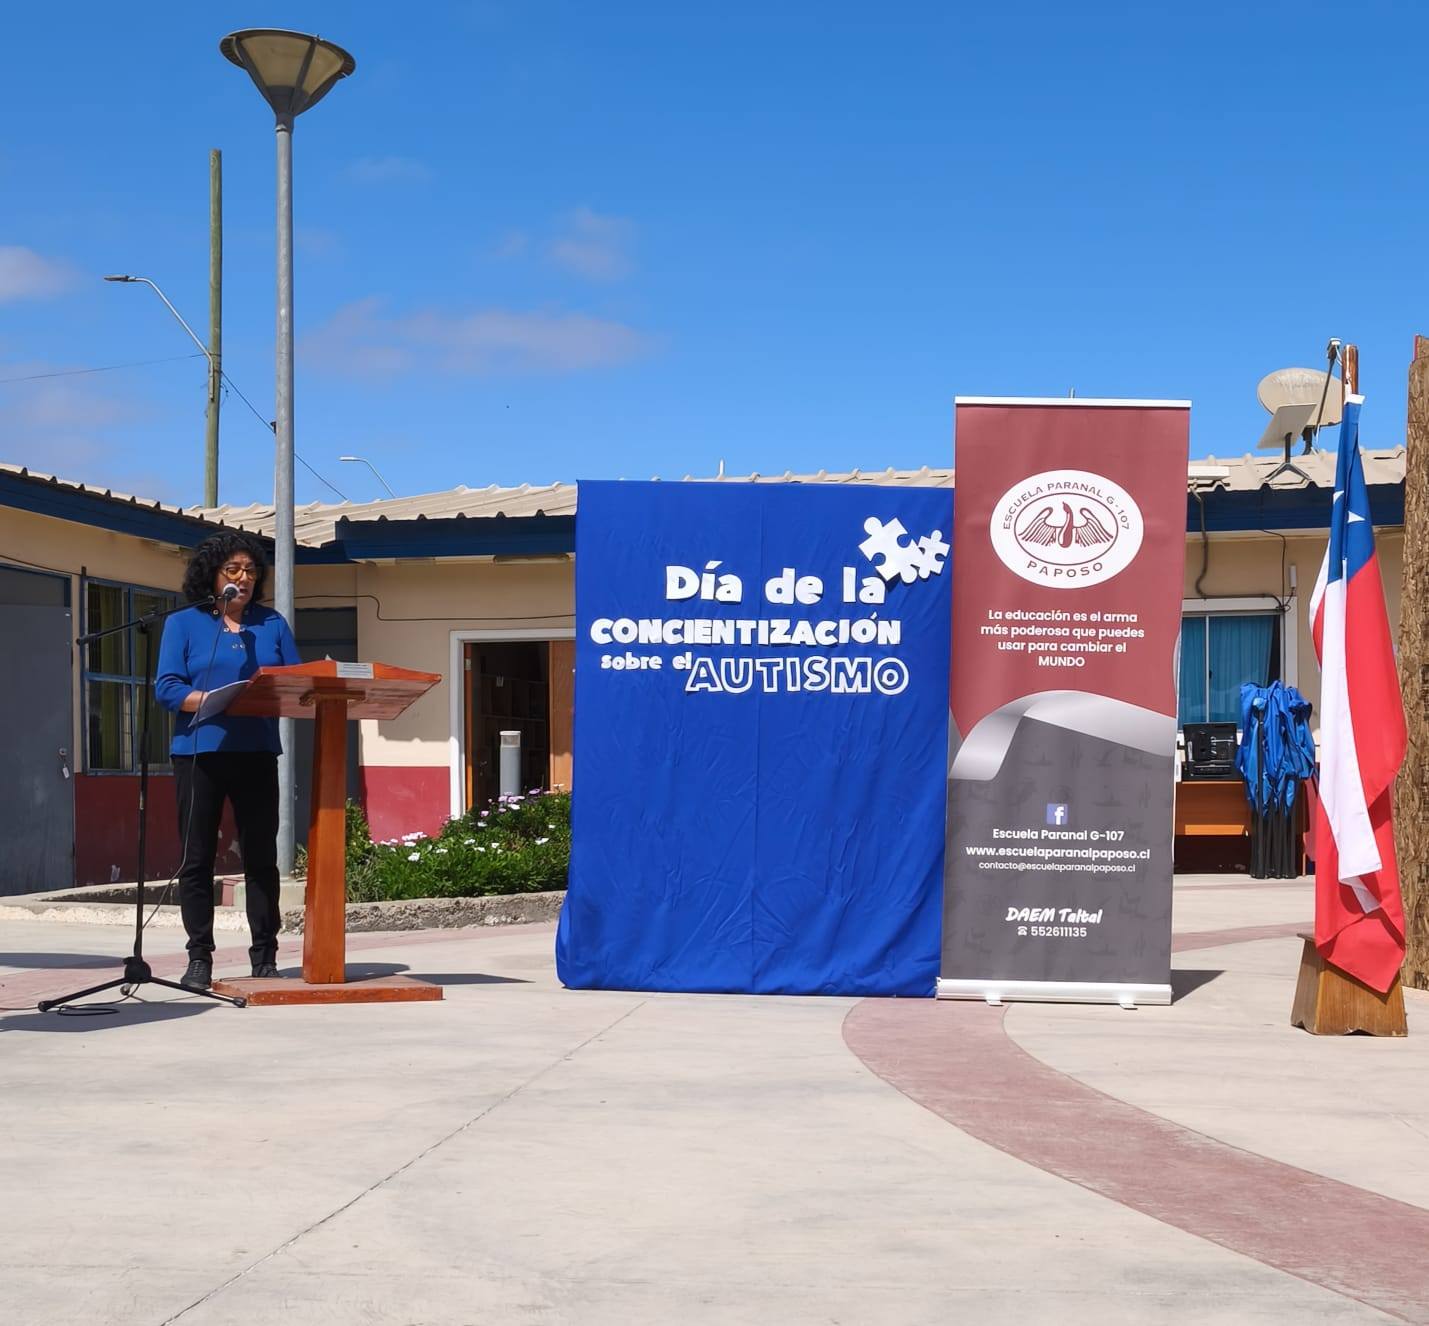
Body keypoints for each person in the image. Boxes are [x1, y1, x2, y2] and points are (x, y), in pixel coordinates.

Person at [156, 532, 301, 989]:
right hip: (199, 753)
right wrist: (208, 699)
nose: (245, 578)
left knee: (261, 857)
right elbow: (167, 687)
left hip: (256, 751)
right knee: (197, 858)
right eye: (234, 570)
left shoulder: (271, 624)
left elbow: (296, 683)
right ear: (213, 575)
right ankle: (199, 957)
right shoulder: (183, 623)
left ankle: (265, 956)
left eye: (251, 571)